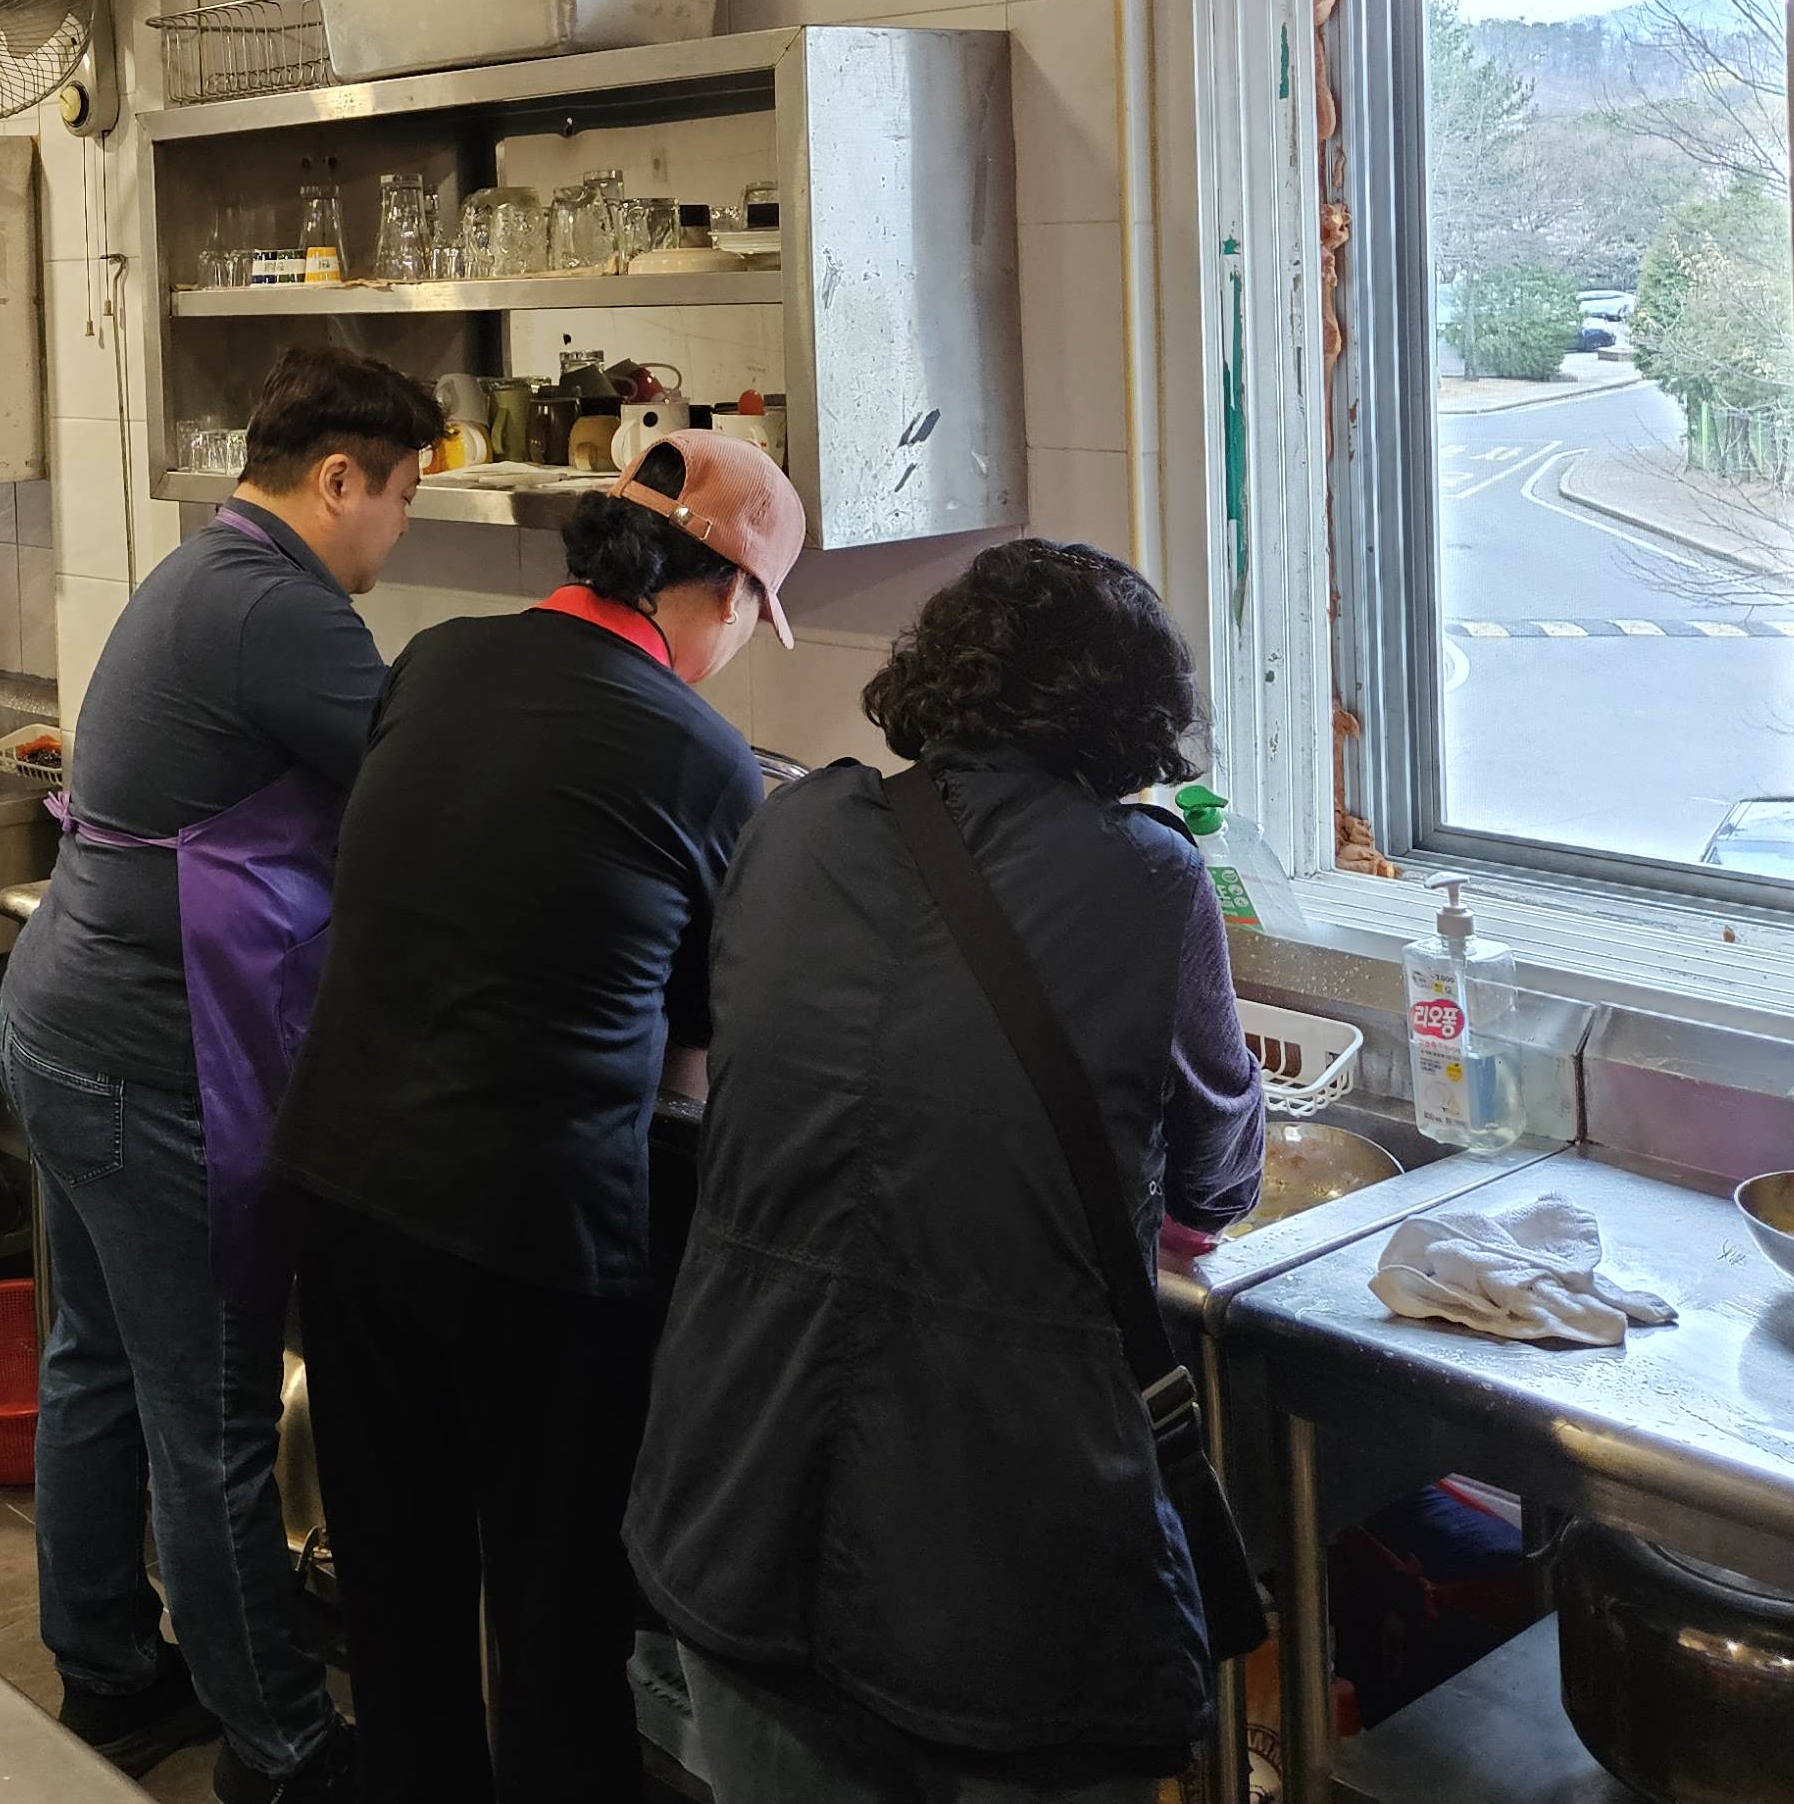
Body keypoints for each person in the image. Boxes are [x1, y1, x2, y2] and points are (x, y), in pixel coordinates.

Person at [630, 538, 1267, 1804]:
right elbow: (1218, 1183)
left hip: (735, 1495)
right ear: (1132, 716)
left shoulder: (793, 828)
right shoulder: (1149, 879)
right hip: (997, 1562)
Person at [276, 434, 795, 1804]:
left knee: (396, 1591)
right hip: (529, 1231)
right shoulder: (703, 754)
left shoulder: (435, 659)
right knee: (557, 1615)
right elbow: (704, 1031)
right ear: (727, 593)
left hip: (341, 1184)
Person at [0, 345, 443, 1804]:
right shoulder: (281, 608)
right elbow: (423, 796)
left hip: (59, 1023)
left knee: (97, 1369)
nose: (399, 531)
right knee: (216, 1423)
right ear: (338, 479)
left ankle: (110, 1673)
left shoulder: (207, 568)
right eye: (401, 499)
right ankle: (284, 1748)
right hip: (145, 1063)